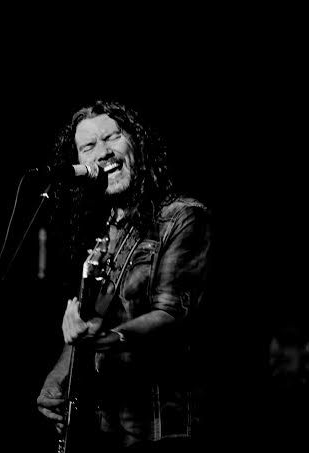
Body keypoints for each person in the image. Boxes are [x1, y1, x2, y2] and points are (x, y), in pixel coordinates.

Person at [36, 100, 212, 452]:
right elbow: (91, 323)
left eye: (111, 137)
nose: (102, 152)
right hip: (109, 428)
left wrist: (113, 337)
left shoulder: (181, 216)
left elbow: (173, 313)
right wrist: (58, 375)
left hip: (166, 429)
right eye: (88, 146)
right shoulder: (106, 232)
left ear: (137, 143)